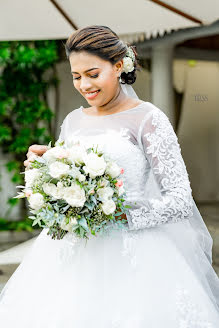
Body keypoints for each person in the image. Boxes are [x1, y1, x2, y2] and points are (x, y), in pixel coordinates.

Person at [0, 25, 219, 327]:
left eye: (92, 74)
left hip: (136, 251)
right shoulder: (73, 120)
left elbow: (180, 200)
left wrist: (118, 215)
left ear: (118, 66)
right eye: (76, 76)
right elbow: (70, 178)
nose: (84, 84)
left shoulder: (148, 119)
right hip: (73, 250)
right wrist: (44, 168)